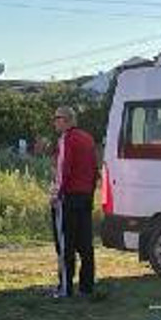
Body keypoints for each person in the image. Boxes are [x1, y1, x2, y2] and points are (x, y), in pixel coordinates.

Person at [50, 106, 99, 298]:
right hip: (85, 196)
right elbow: (95, 169)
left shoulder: (66, 139)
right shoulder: (88, 138)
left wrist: (56, 195)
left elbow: (63, 170)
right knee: (85, 244)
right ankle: (87, 286)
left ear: (67, 120)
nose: (54, 121)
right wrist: (91, 193)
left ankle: (65, 287)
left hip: (69, 197)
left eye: (57, 118)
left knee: (65, 244)